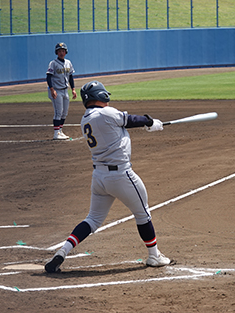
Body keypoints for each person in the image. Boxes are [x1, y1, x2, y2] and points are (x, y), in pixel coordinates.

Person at [45, 80, 170, 273]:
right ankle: (154, 256)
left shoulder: (85, 119)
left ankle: (62, 251)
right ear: (100, 96)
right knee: (143, 213)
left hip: (99, 178)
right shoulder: (106, 113)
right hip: (121, 175)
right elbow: (131, 120)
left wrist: (147, 123)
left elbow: (119, 128)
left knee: (93, 219)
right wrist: (150, 122)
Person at [46, 42, 77, 140]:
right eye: (59, 51)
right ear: (56, 52)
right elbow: (48, 77)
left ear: (65, 52)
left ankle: (60, 131)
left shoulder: (68, 62)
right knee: (58, 112)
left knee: (64, 113)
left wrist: (73, 89)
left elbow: (71, 76)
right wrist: (52, 89)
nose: (61, 53)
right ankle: (56, 133)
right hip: (56, 91)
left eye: (63, 51)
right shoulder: (53, 63)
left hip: (65, 90)